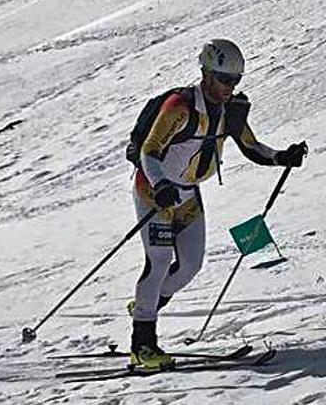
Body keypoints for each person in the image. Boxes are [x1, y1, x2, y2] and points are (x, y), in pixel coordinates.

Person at [129, 38, 308, 369]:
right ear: (207, 73)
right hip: (155, 191)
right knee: (158, 261)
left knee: (190, 266)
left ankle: (146, 304)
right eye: (225, 79)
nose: (230, 87)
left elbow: (251, 146)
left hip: (188, 195)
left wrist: (283, 157)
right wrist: (161, 183)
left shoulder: (230, 111)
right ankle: (143, 344)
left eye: (236, 81)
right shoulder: (179, 107)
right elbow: (149, 152)